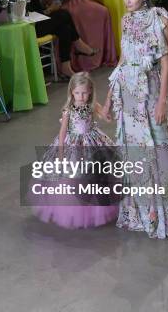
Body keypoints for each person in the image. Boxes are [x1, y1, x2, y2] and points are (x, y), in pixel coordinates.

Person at [101, 0, 168, 240]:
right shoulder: (124, 20)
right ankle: (141, 215)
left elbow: (166, 64)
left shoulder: (159, 20)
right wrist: (110, 97)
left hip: (149, 90)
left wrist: (162, 101)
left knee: (160, 149)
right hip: (127, 93)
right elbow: (122, 60)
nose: (127, 2)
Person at [31, 72, 119, 229]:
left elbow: (105, 116)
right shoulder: (68, 110)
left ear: (90, 91)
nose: (81, 96)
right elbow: (63, 132)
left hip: (92, 141)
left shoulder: (93, 106)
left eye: (84, 92)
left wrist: (108, 110)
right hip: (73, 144)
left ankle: (95, 206)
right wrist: (60, 152)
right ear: (72, 91)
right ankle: (76, 208)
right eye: (77, 92)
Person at [6, 0, 101, 78]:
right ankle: (78, 44)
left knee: (64, 28)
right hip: (28, 27)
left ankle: (66, 67)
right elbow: (24, 15)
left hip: (37, 20)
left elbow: (35, 6)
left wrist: (46, 2)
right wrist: (49, 10)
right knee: (64, 14)